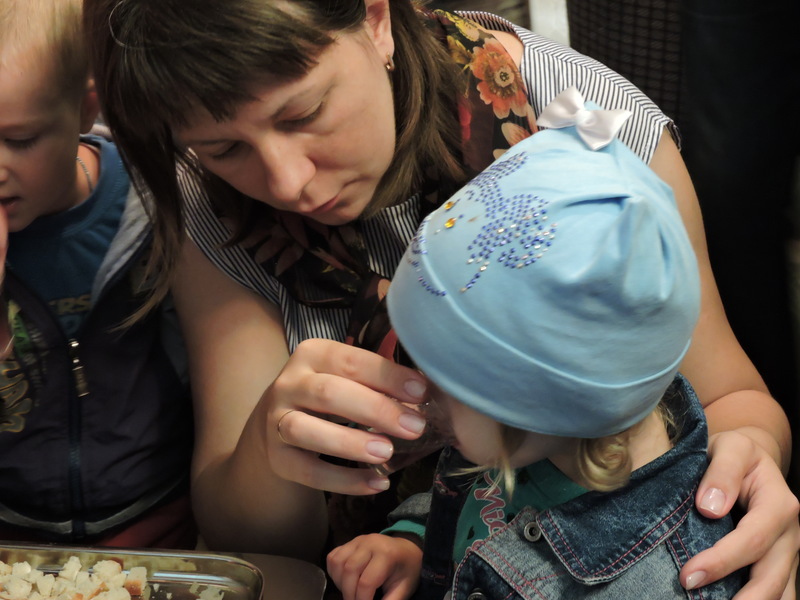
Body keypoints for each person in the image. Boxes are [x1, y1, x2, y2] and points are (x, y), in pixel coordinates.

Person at [82, 0, 798, 595]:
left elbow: (727, 397)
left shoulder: (588, 139)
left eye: (303, 113)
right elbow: (250, 544)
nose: (288, 182)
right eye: (224, 149)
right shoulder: (203, 198)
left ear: (376, 20)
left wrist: (744, 467)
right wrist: (274, 446)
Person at [326, 88, 746, 599]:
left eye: (446, 380)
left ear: (541, 403)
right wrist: (414, 544)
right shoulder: (527, 442)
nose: (420, 389)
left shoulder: (656, 583)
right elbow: (475, 504)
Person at [0, 0, 195, 548]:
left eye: (20, 140)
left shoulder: (154, 203)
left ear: (87, 107)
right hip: (13, 535)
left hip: (160, 518)